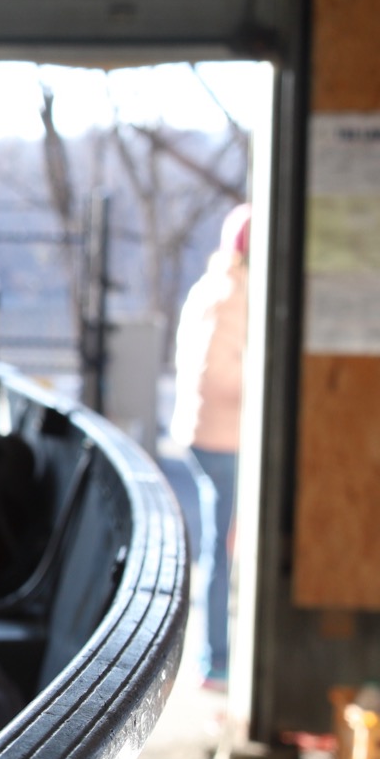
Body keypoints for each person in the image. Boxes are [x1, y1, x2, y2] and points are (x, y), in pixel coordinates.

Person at [171, 205, 250, 691]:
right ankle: (215, 658)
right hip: (224, 437)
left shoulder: (210, 286)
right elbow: (215, 372)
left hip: (206, 433)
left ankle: (215, 655)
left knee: (219, 547)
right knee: (221, 551)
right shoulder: (234, 297)